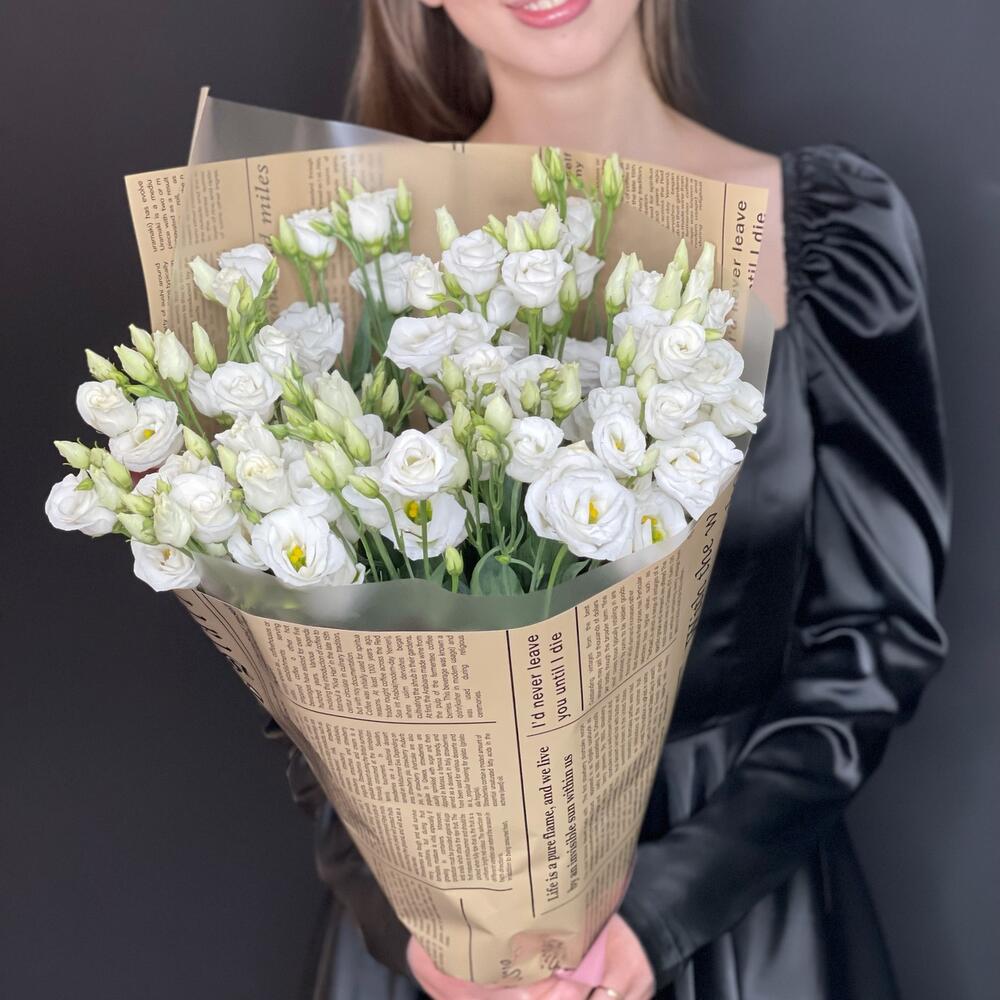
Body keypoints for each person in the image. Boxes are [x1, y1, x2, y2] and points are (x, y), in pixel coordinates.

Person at [272, 1, 950, 997]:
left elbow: (875, 632)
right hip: (451, 954)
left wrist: (658, 916)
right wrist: (420, 933)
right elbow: (303, 685)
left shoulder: (823, 228)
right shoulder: (343, 253)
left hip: (744, 926)